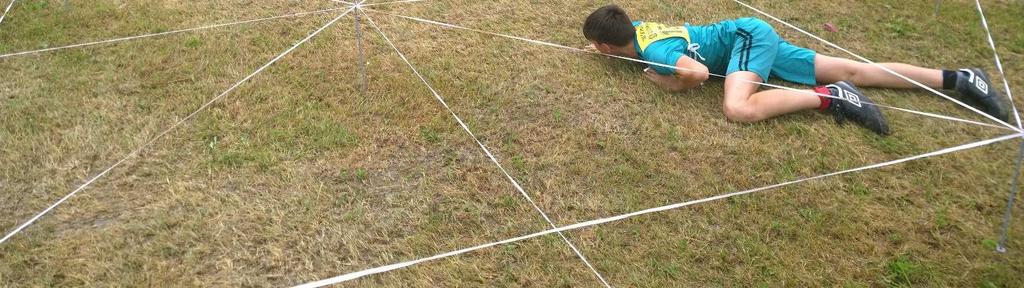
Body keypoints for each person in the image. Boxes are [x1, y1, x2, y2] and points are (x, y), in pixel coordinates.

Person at [582, 4, 1009, 135]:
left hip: (745, 41)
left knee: (738, 108)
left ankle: (832, 97)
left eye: (595, 49)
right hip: (746, 38)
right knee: (854, 68)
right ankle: (959, 78)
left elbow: (693, 73)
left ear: (604, 46)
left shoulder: (653, 49)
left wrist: (668, 84)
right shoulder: (638, 28)